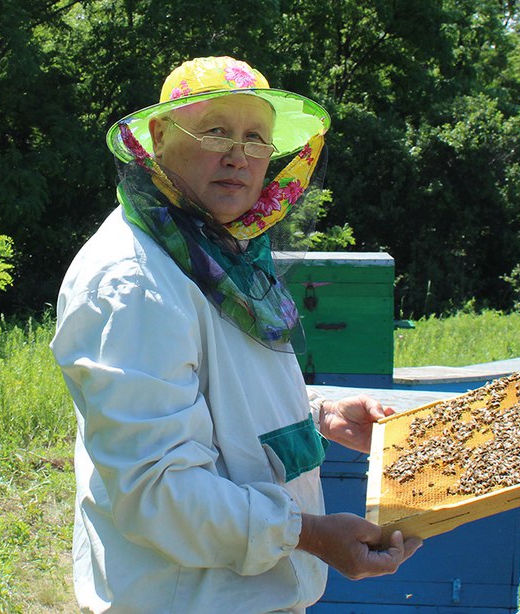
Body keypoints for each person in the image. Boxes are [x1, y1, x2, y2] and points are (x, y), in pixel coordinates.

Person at [52, 56, 422, 613]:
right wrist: (310, 534)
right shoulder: (134, 283)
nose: (238, 155)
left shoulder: (216, 249)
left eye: (255, 139)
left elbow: (222, 398)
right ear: (157, 137)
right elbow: (157, 491)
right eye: (216, 130)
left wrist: (322, 415)